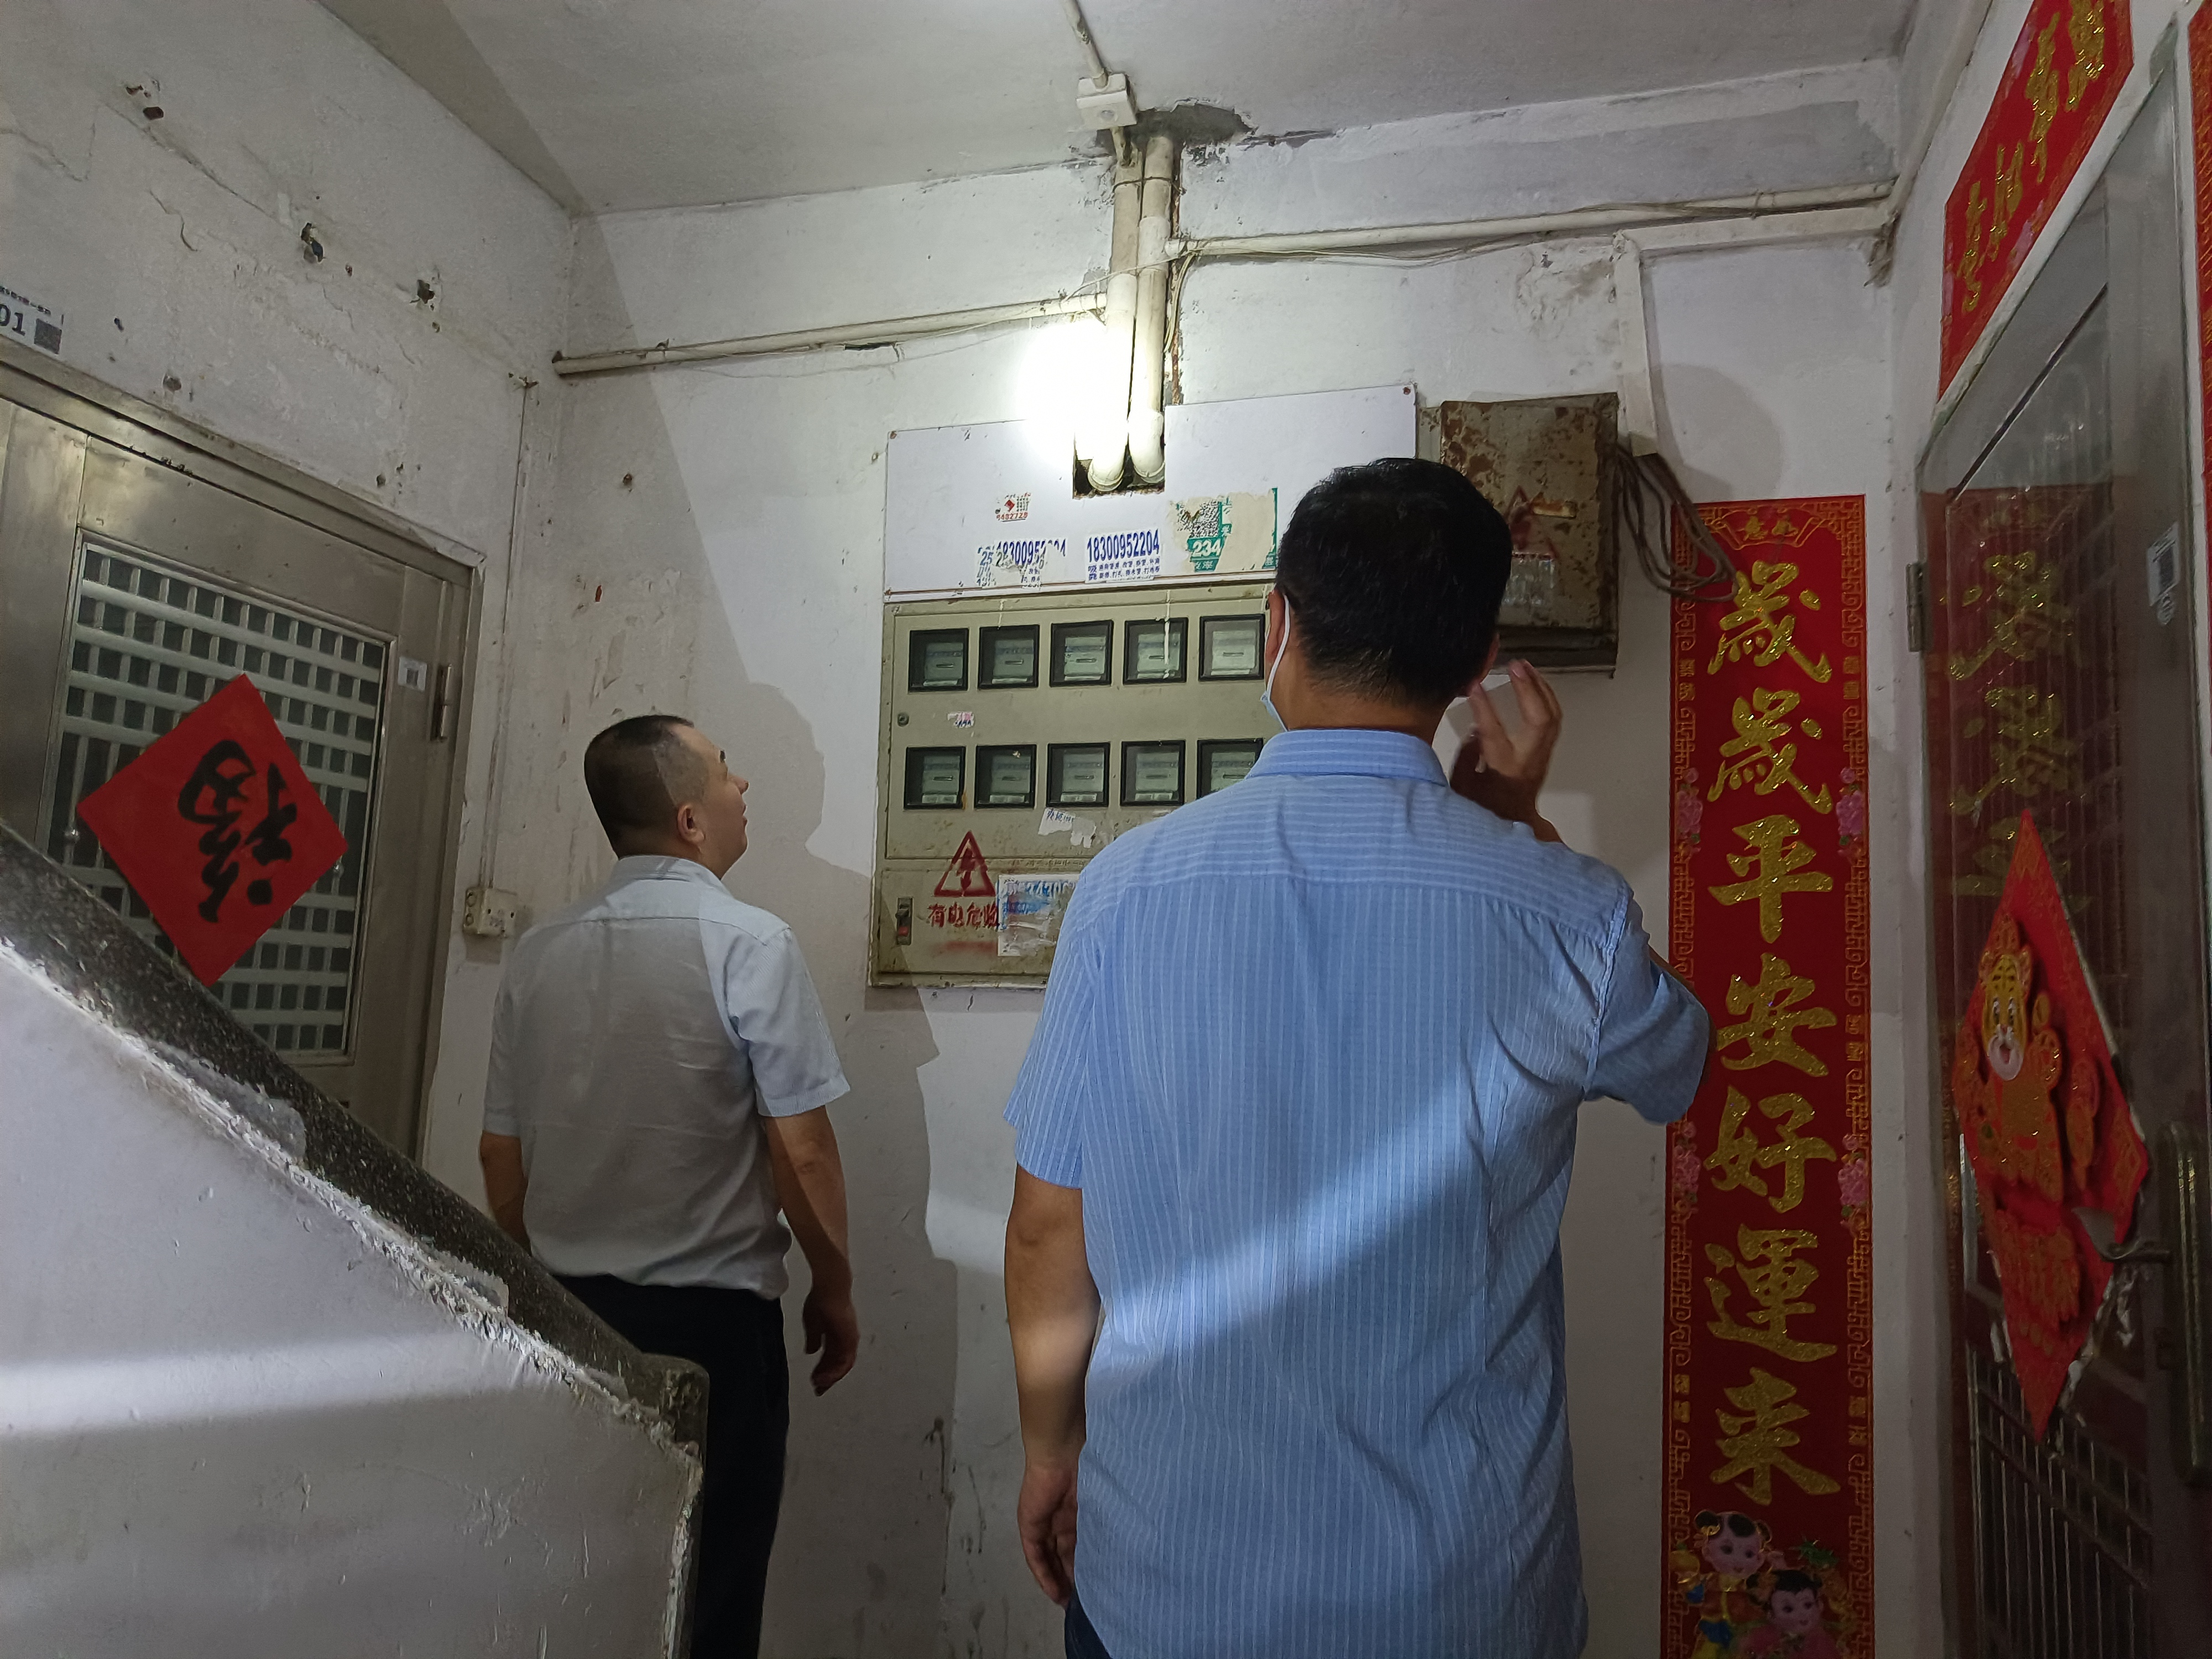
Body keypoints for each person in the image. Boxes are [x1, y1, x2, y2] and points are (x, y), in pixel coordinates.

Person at [1001, 457, 1712, 1659]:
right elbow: (1679, 1066)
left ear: (1276, 624)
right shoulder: (1565, 912)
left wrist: (1047, 1451)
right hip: (1459, 1602)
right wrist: (1515, 827)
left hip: (1168, 1585)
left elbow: (1045, 1230)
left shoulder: (1124, 891)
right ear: (1476, 658)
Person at [479, 713, 858, 1659]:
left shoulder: (540, 951)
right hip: (712, 1331)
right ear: (690, 820)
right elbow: (804, 1151)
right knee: (711, 1597)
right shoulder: (750, 943)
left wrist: (544, 1278)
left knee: (588, 1581)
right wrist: (835, 1285)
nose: (744, 788)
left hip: (572, 1318)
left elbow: (499, 1154)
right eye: (728, 772)